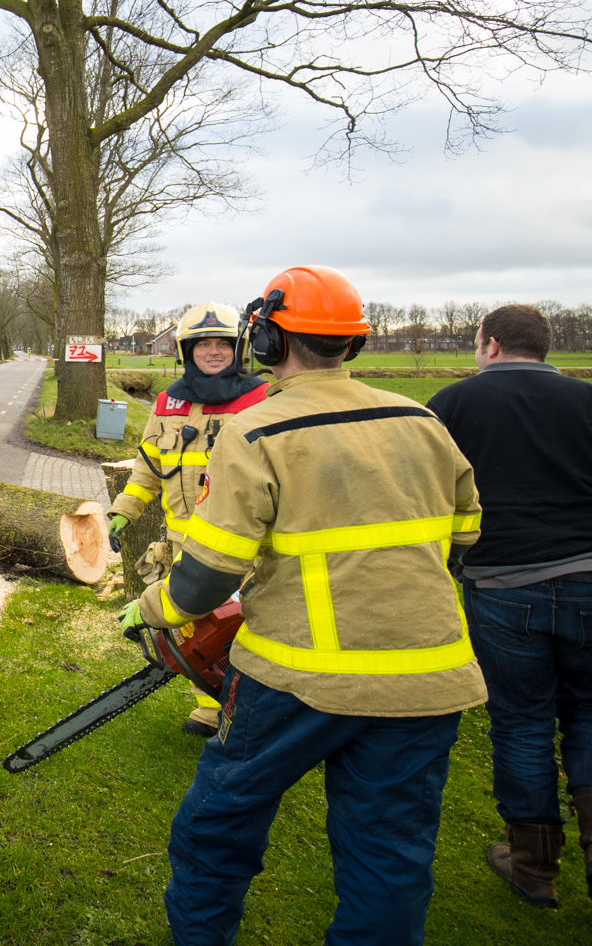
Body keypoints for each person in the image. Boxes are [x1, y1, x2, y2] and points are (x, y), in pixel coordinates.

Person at [120, 264, 483, 946]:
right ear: (355, 344)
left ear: (266, 341)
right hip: (425, 679)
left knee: (216, 829)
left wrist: (152, 607)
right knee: (388, 858)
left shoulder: (257, 432)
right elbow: (465, 535)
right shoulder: (422, 420)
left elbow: (206, 576)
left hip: (299, 678)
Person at [427, 303, 592, 909]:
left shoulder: (453, 404)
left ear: (490, 344)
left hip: (503, 582)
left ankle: (533, 865)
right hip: (589, 576)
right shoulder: (586, 401)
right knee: (590, 716)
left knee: (521, 722)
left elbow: (429, 491)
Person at [109, 302, 267, 736]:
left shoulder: (261, 400)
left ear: (239, 349)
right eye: (203, 344)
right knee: (198, 634)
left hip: (245, 550)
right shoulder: (167, 402)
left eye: (222, 344)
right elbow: (148, 468)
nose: (213, 352)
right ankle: (210, 709)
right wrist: (124, 511)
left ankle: (243, 713)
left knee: (241, 634)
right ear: (186, 351)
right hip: (186, 545)